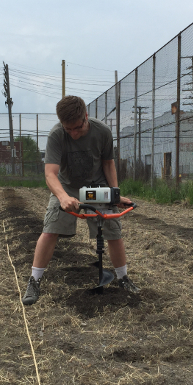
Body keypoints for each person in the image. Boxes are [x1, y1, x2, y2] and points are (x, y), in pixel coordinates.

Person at [22, 95, 140, 305]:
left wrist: (114, 194)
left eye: (78, 127)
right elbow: (50, 174)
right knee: (50, 230)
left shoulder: (102, 131)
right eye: (69, 130)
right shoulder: (57, 136)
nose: (74, 134)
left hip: (96, 186)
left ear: (86, 116)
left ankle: (123, 278)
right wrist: (63, 197)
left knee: (113, 230)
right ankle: (34, 280)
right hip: (67, 187)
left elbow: (108, 164)